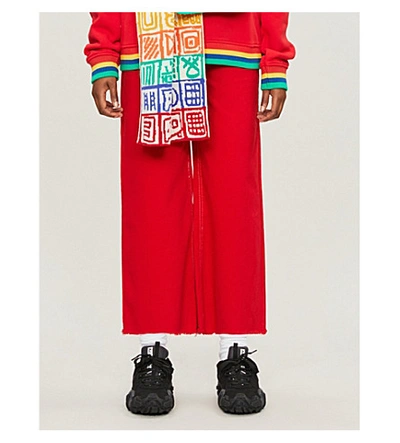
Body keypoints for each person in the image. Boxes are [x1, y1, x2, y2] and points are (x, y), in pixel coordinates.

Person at [83, 12, 295, 416]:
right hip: (152, 38)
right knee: (151, 202)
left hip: (232, 44)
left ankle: (235, 350)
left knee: (235, 199)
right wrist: (104, 53)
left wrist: (275, 59)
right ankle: (152, 350)